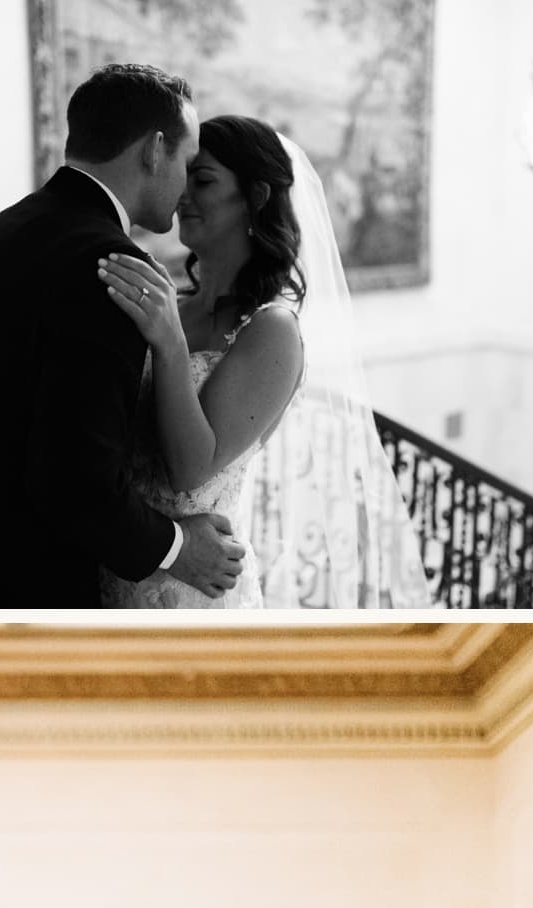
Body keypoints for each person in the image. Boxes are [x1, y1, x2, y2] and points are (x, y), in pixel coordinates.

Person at [0, 62, 245, 610]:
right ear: (155, 149)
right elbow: (75, 482)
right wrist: (179, 549)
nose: (183, 185)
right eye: (186, 160)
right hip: (9, 587)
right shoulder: (114, 268)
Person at [97, 115, 433, 608]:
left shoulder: (272, 331)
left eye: (204, 180)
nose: (183, 193)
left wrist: (168, 343)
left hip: (192, 592)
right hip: (115, 565)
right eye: (184, 175)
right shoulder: (174, 305)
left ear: (255, 197)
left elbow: (191, 471)